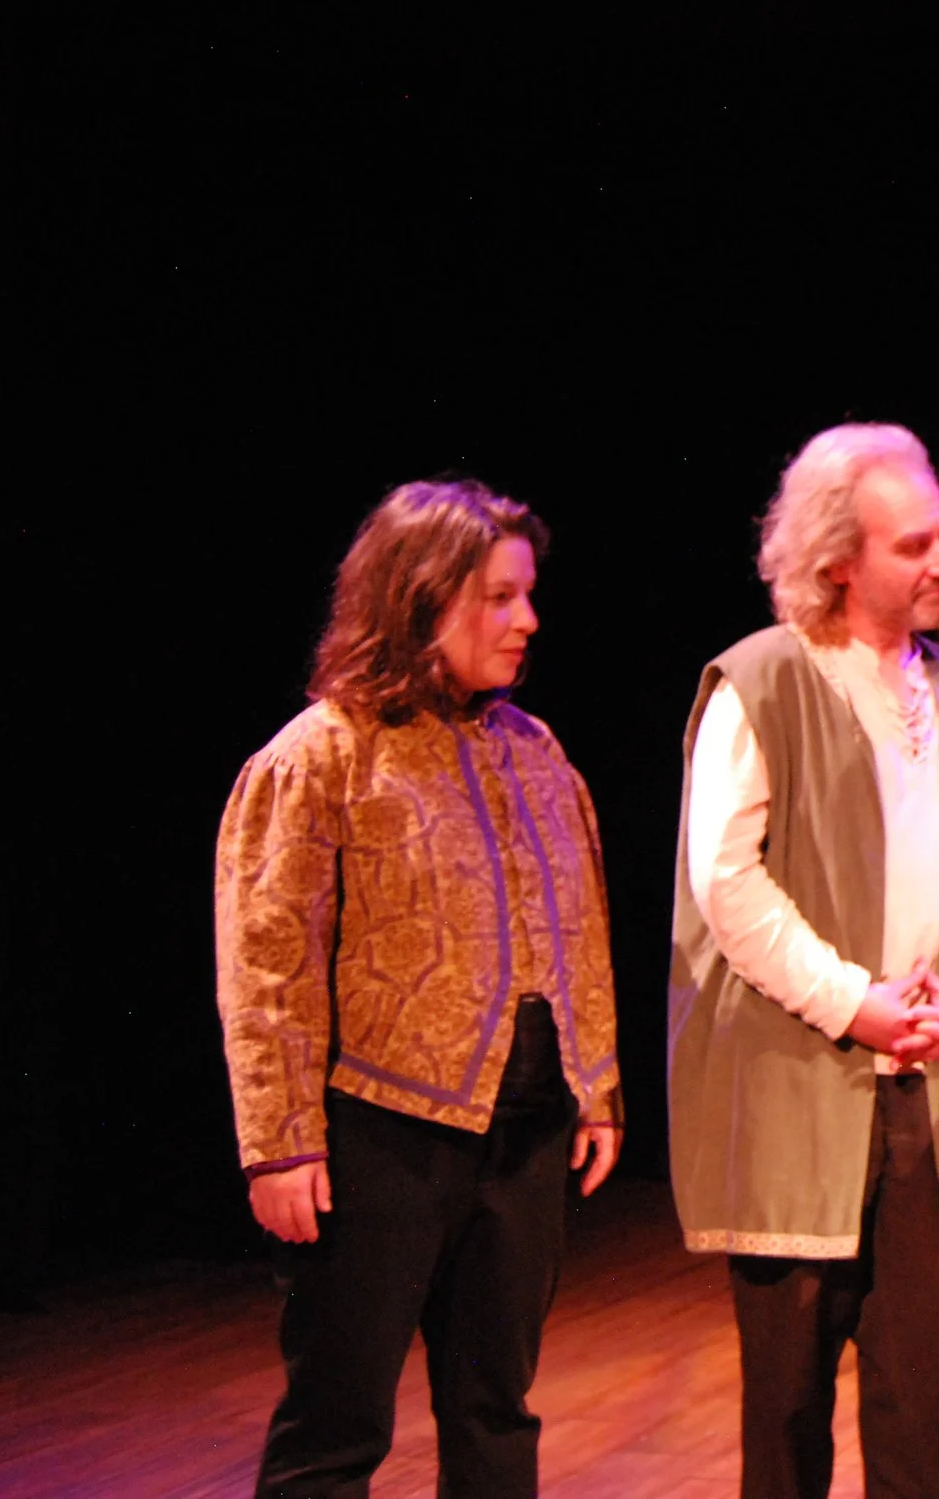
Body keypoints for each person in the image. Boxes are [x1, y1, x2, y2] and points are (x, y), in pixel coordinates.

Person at [216, 478, 624, 1499]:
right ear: (419, 601)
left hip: (523, 1137)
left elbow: (579, 930)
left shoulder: (538, 754)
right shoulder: (323, 757)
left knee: (496, 1413)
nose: (527, 620)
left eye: (527, 595)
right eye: (499, 597)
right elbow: (269, 966)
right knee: (337, 1427)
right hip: (379, 1139)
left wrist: (596, 1087)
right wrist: (279, 1143)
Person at [667, 422, 939, 1499]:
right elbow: (726, 883)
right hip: (800, 1083)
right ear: (836, 561)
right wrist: (853, 1003)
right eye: (915, 545)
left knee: (935, 1405)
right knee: (788, 1403)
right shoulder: (760, 683)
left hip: (932, 1080)